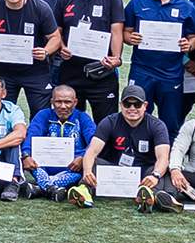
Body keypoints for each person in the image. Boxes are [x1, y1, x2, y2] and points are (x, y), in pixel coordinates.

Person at [122, 0, 195, 132]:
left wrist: (189, 45)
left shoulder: (186, 6)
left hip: (171, 72)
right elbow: (126, 32)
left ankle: (168, 156)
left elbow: (194, 37)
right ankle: (138, 155)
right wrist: (130, 38)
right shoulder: (137, 2)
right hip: (142, 70)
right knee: (136, 116)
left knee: (171, 121)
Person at [73, 83, 173, 211]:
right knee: (92, 162)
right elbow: (92, 151)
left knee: (161, 170)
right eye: (127, 104)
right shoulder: (109, 121)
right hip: (115, 171)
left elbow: (163, 157)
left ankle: (148, 195)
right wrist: (87, 172)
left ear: (145, 106)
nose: (132, 108)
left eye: (137, 104)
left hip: (144, 173)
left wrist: (155, 175)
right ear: (121, 105)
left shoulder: (157, 125)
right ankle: (84, 191)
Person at [53, 0, 124, 121]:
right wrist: (62, 47)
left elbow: (116, 30)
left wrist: (116, 58)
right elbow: (57, 30)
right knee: (69, 120)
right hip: (71, 70)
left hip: (102, 71)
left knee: (106, 122)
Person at [22, 83, 95, 201]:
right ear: (52, 101)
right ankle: (53, 189)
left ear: (75, 102)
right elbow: (31, 136)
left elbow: (94, 142)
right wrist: (26, 155)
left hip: (73, 167)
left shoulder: (82, 118)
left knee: (83, 170)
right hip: (42, 166)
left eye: (68, 102)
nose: (63, 106)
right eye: (58, 102)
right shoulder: (43, 115)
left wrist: (82, 157)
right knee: (31, 165)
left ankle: (41, 189)